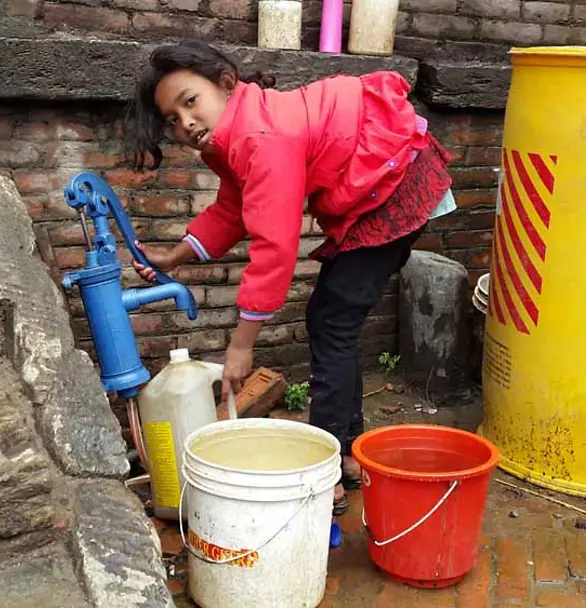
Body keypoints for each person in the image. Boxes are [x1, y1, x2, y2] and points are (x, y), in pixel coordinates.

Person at [126, 40, 456, 515]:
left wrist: (242, 343)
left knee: (332, 322)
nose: (186, 123)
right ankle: (347, 454)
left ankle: (327, 472)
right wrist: (175, 255)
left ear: (225, 83)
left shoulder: (260, 136)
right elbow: (233, 208)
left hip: (394, 183)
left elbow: (275, 247)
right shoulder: (236, 134)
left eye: (190, 102)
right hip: (380, 179)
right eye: (172, 120)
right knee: (331, 321)